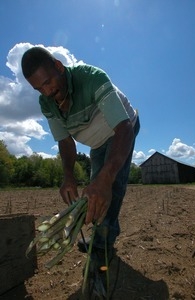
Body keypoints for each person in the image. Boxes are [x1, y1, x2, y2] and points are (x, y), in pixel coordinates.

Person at [21, 46, 140, 296]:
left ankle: (100, 251)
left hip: (122, 129)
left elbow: (124, 128)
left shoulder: (92, 77)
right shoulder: (47, 102)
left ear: (59, 67)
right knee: (92, 197)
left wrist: (106, 178)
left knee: (110, 190)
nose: (47, 91)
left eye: (48, 83)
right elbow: (65, 141)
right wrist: (68, 176)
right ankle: (103, 234)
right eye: (38, 89)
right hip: (97, 143)